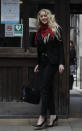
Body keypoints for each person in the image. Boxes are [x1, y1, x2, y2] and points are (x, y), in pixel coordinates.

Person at [33, 9, 65, 128]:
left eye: (45, 15)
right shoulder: (39, 31)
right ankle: (52, 115)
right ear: (39, 18)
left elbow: (61, 47)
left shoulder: (56, 29)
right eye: (41, 16)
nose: (43, 17)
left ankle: (42, 116)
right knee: (48, 89)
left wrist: (61, 63)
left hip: (52, 63)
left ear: (49, 16)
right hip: (43, 63)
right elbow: (39, 50)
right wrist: (38, 63)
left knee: (44, 88)